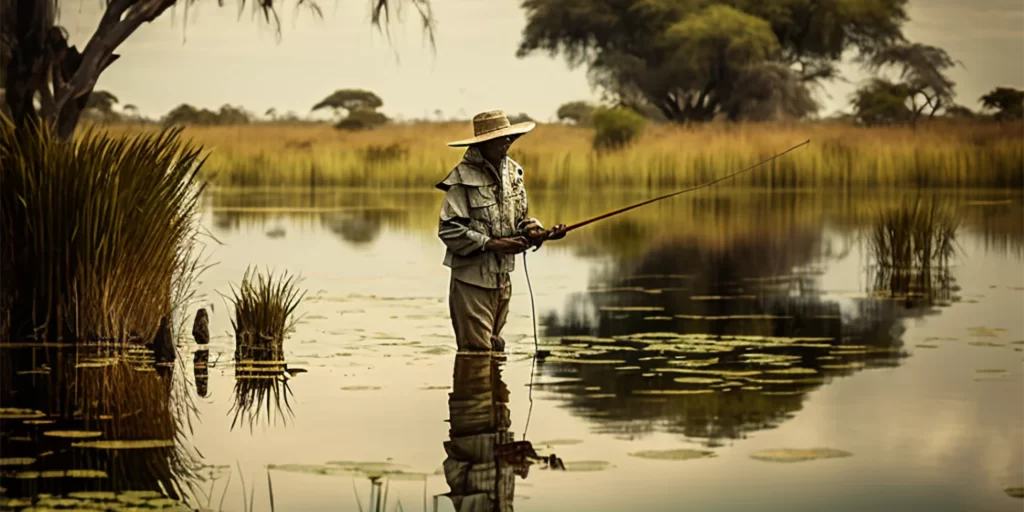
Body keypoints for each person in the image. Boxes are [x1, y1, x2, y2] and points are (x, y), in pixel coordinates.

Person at [436, 110, 565, 352]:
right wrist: (491, 244)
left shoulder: (514, 173)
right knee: (476, 351)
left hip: (502, 278)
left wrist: (537, 231)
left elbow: (520, 218)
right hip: (471, 280)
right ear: (484, 143)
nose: (507, 142)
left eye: (509, 137)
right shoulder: (463, 177)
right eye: (500, 138)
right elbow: (448, 229)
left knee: (495, 347)